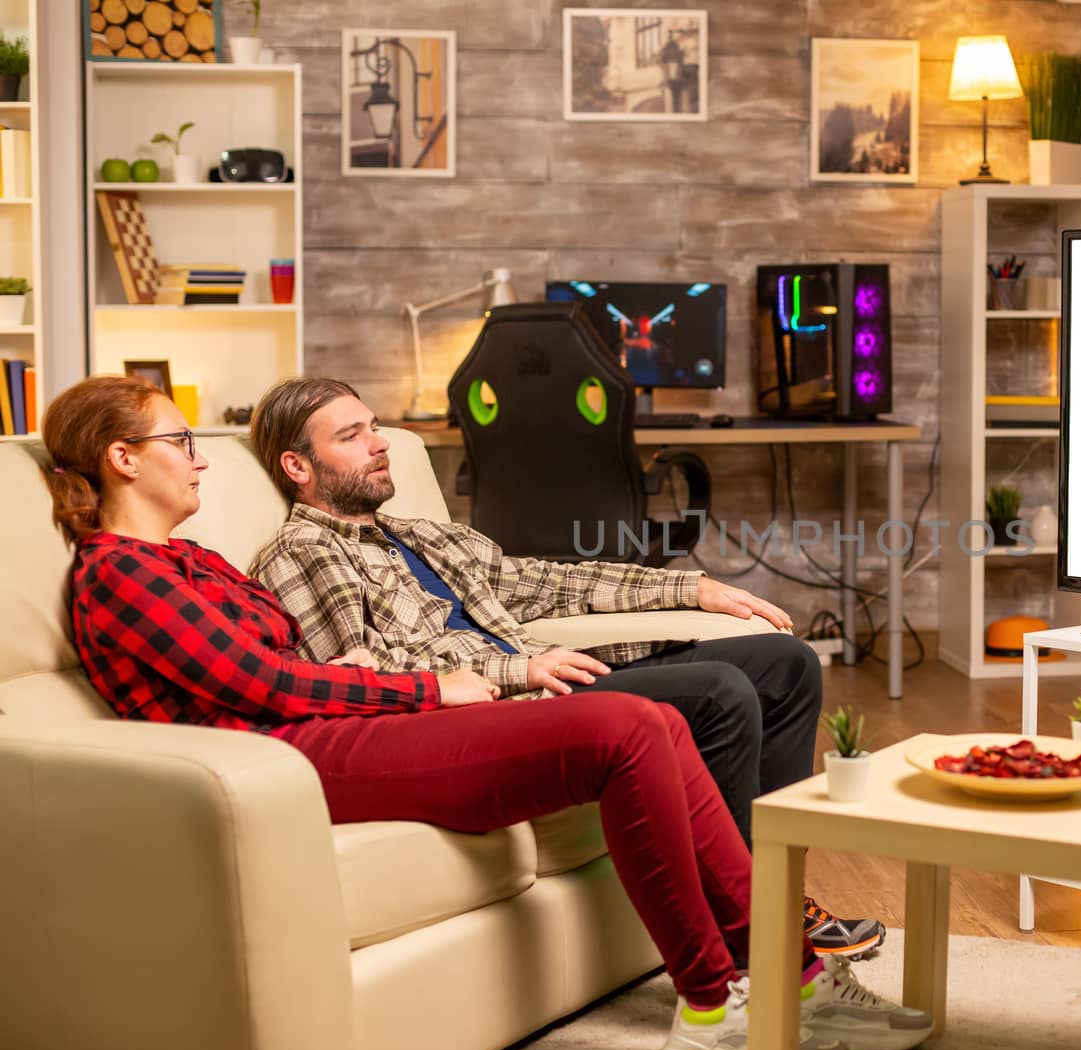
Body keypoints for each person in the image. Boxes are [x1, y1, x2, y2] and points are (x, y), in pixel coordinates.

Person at [43, 375, 932, 1050]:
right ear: (124, 458)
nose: (199, 459)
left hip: (328, 728)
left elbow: (292, 663)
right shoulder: (119, 572)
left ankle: (789, 976)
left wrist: (686, 588)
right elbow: (265, 682)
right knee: (626, 726)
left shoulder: (191, 559)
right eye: (181, 441)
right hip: (290, 758)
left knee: (648, 721)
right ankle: (709, 1006)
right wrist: (433, 688)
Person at [246, 376, 882, 958]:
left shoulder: (424, 535)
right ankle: (757, 928)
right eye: (352, 436)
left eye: (375, 427)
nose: (379, 444)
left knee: (787, 663)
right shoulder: (300, 553)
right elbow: (367, 678)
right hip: (505, 710)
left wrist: (689, 588)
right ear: (298, 465)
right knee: (719, 691)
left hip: (549, 679)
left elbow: (546, 582)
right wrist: (515, 670)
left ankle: (780, 891)